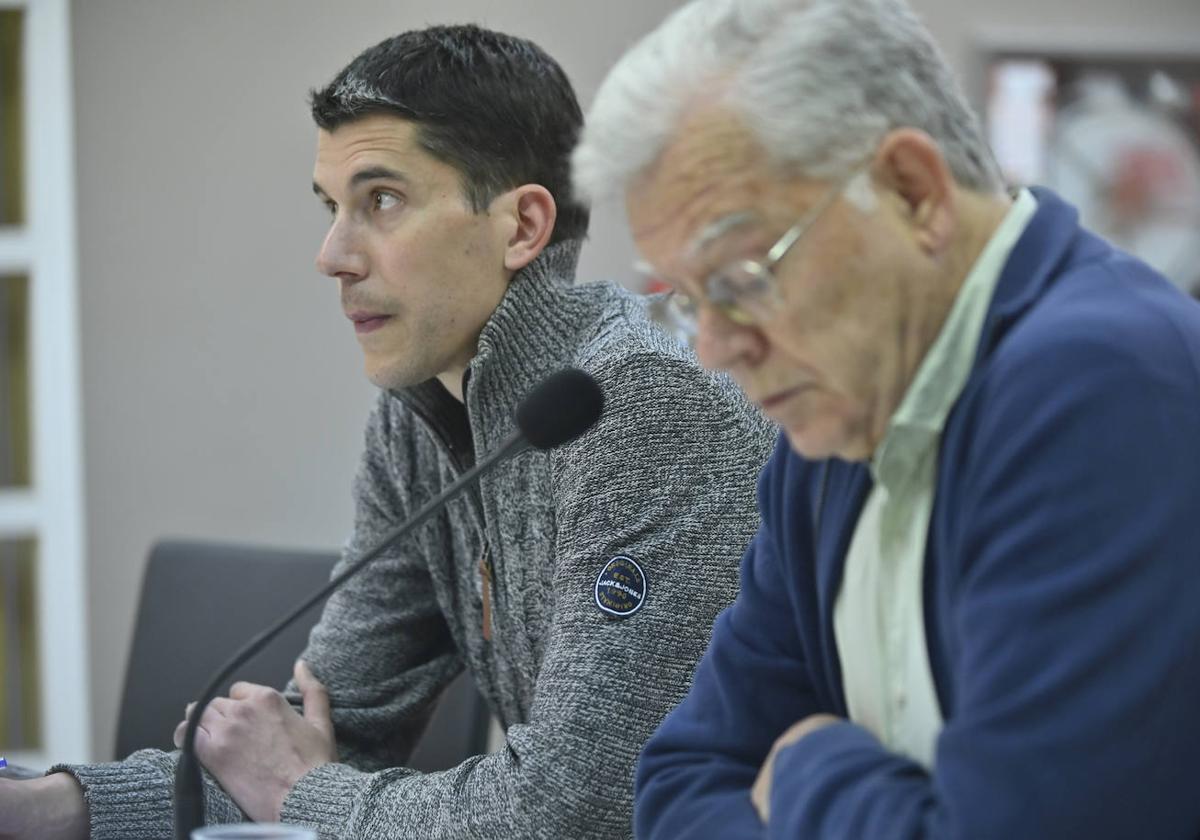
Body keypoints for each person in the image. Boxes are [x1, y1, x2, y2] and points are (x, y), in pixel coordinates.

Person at [0, 24, 774, 840]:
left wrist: (303, 792)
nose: (332, 255)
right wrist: (48, 805)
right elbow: (321, 737)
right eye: (333, 207)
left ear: (521, 228)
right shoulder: (419, 419)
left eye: (381, 201)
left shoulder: (642, 410)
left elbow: (566, 812)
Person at [571, 0, 1200, 837]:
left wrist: (805, 764)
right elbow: (680, 783)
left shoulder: (1100, 383)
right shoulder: (836, 415)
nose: (716, 349)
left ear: (913, 193)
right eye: (688, 303)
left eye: (743, 277)